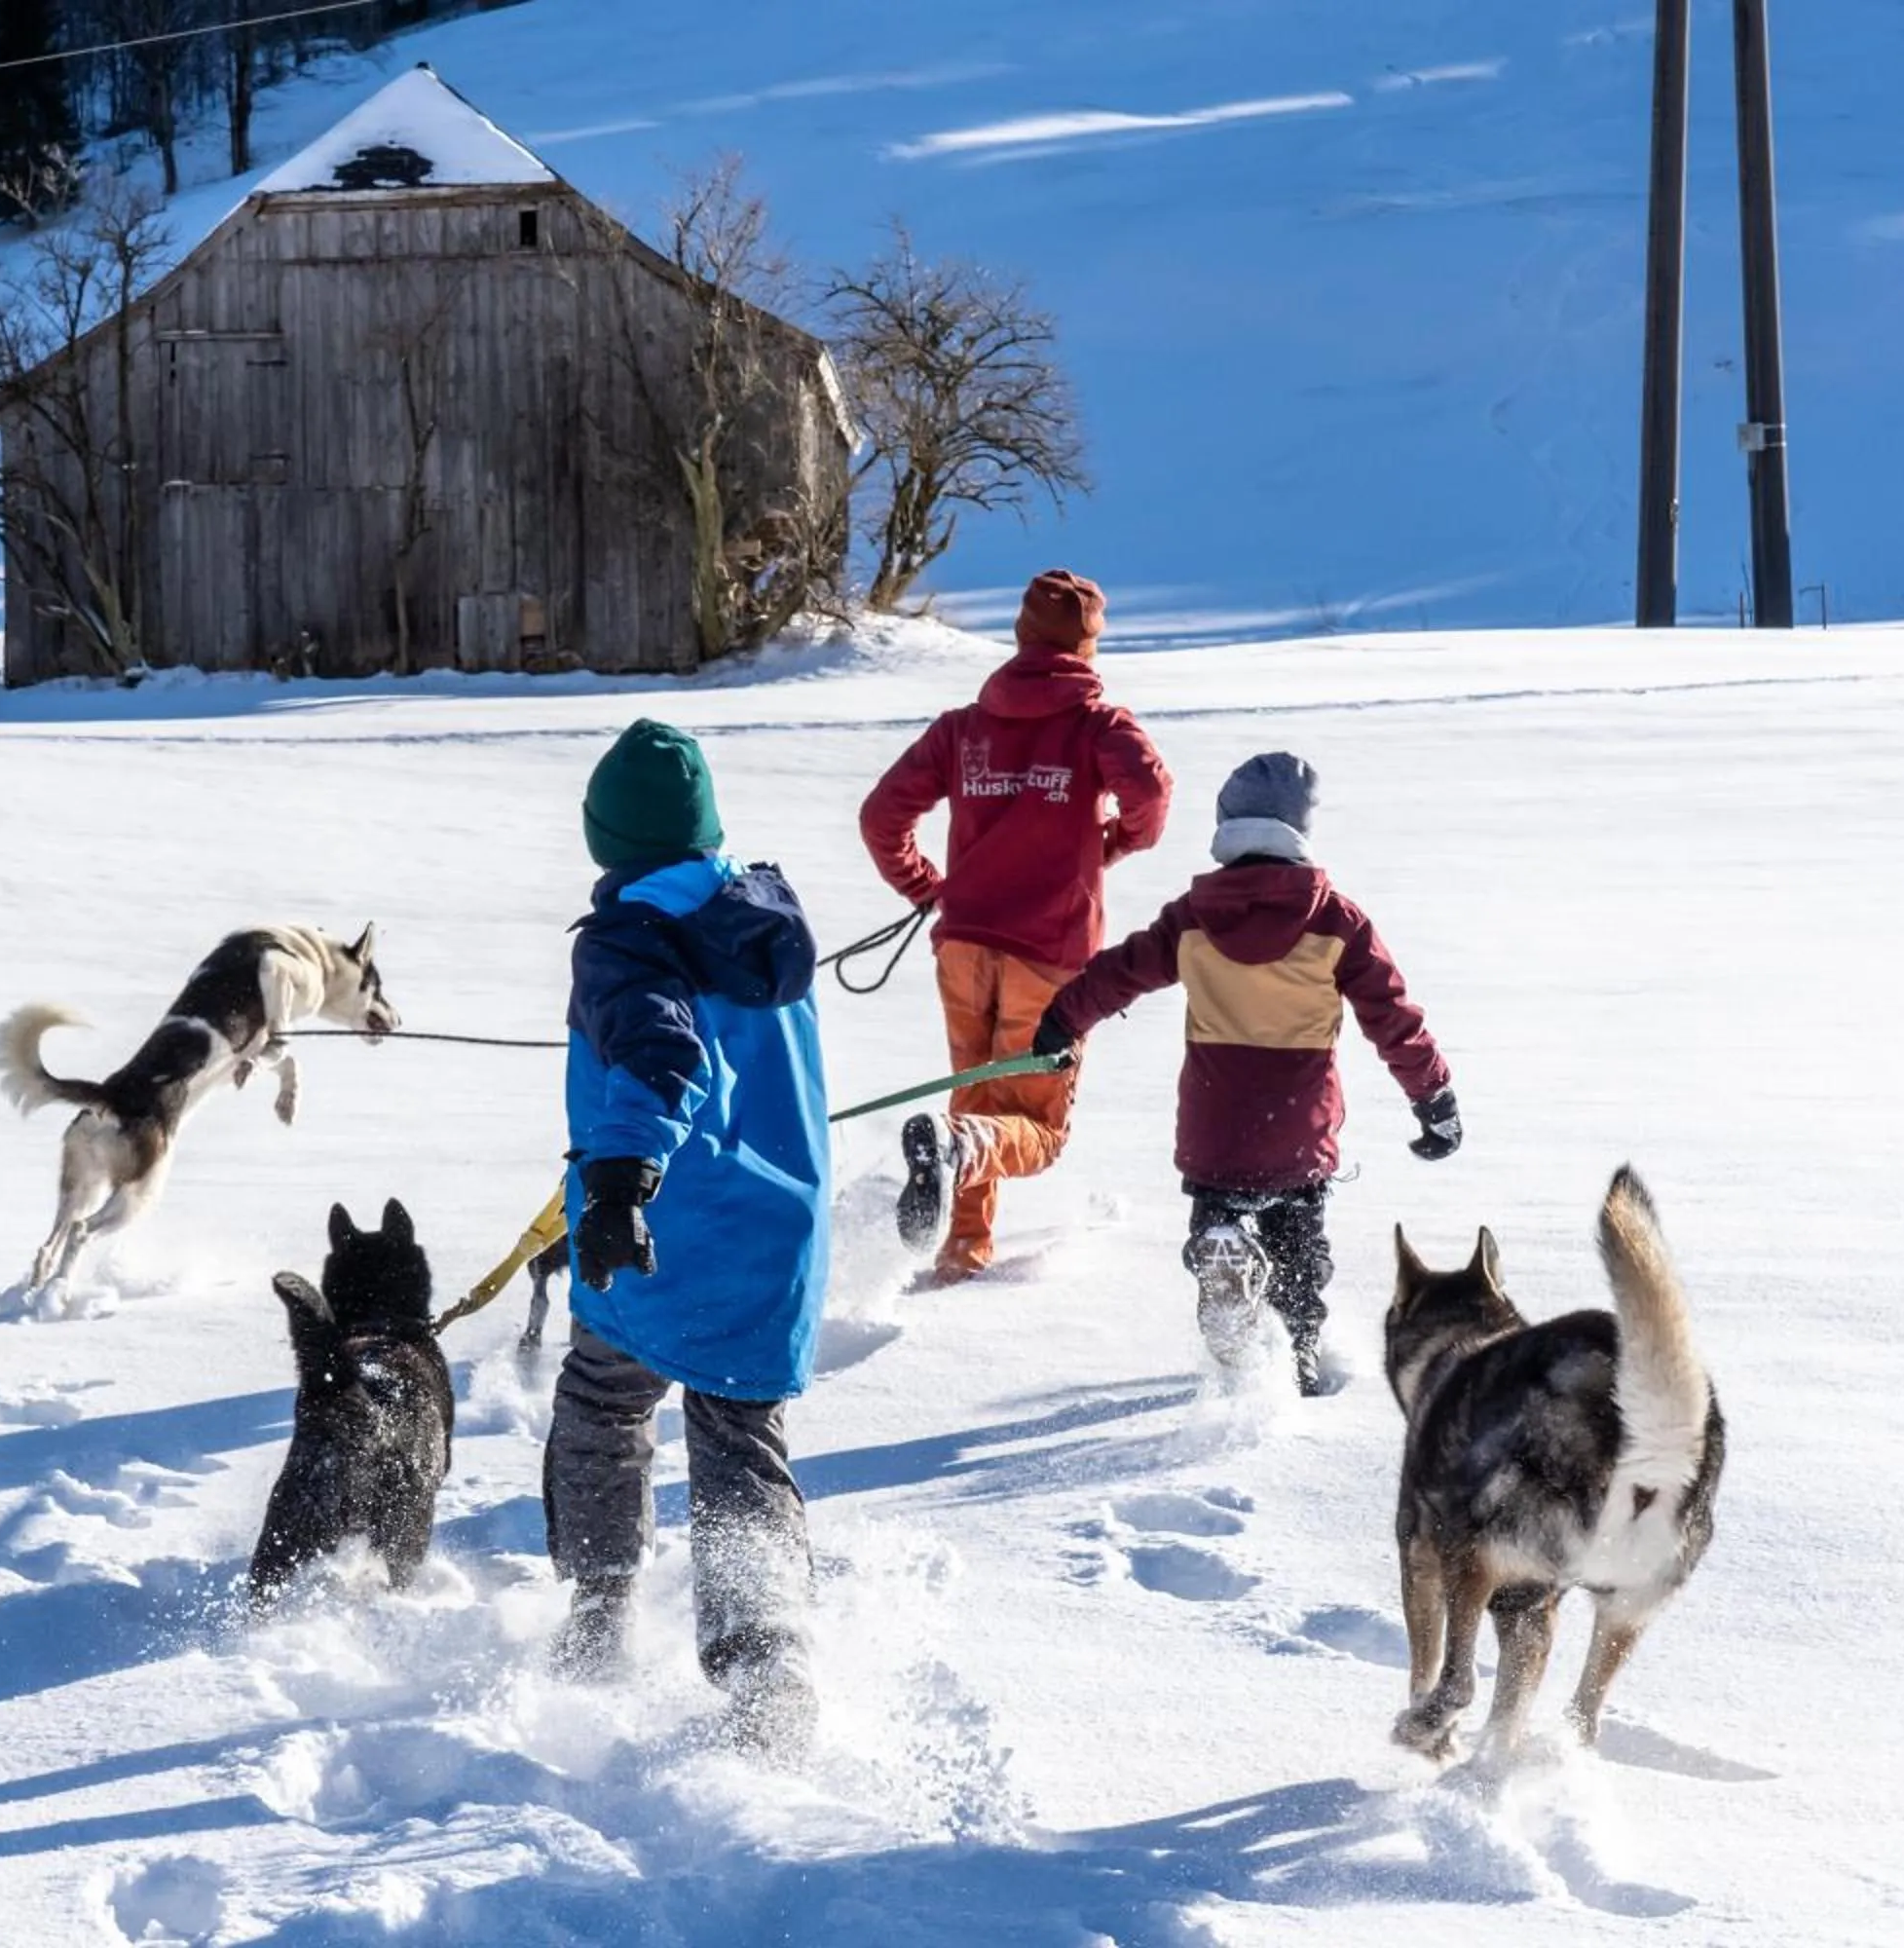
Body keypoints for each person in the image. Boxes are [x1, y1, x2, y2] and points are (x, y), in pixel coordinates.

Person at [545, 718, 831, 1754]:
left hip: (665, 1234)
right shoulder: (757, 919)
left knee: (602, 1399)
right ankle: (770, 1665)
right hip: (778, 1234)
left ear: (606, 841)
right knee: (739, 1439)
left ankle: (598, 1610)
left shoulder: (628, 943)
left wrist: (619, 1178)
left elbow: (665, 1060)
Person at [1030, 752, 1461, 1395]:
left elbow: (1118, 973)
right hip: (1297, 1132)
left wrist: (1063, 1021)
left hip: (1215, 1128)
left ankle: (1225, 1266)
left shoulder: (1193, 917)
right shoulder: (1335, 921)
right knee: (1299, 1256)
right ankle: (1299, 1351)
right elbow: (1391, 1015)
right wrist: (1433, 1096)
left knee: (1220, 1222)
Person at [858, 570, 1173, 1283]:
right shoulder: (1098, 725)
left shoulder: (964, 729)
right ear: (1089, 644)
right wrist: (1111, 844)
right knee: (1037, 1129)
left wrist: (932, 892)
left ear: (1021, 634)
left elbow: (882, 818)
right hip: (1051, 955)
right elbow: (1151, 799)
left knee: (974, 1093)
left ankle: (963, 1250)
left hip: (964, 945)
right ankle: (958, 1171)